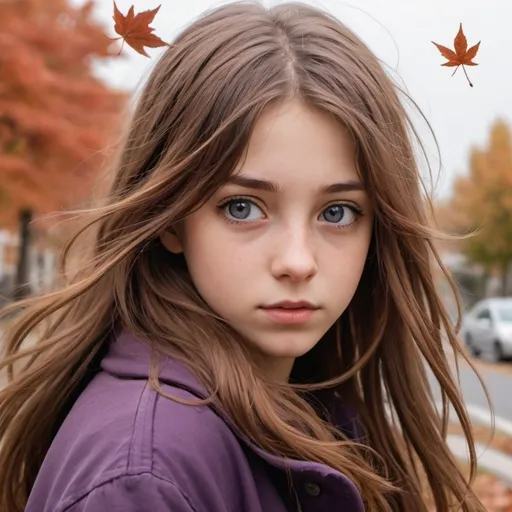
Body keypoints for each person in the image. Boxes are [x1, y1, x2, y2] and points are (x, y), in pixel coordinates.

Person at [0, 2, 487, 511]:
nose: (297, 262)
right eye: (242, 207)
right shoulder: (145, 479)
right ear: (171, 220)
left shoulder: (302, 407)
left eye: (338, 212)